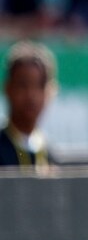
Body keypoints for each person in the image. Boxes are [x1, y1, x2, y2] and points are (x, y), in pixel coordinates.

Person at [1, 40, 56, 170]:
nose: (31, 95)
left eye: (39, 86)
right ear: (8, 89)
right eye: (23, 85)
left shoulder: (48, 152)